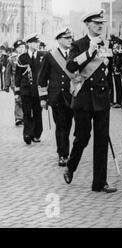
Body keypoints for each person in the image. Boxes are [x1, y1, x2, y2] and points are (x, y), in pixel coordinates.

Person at [63, 10, 117, 193]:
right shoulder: (78, 45)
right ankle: (71, 166)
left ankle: (99, 183)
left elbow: (110, 69)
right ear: (87, 24)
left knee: (101, 140)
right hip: (84, 99)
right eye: (96, 23)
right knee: (82, 137)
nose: (100, 26)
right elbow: (70, 66)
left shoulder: (107, 43)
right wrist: (89, 53)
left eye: (101, 23)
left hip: (101, 98)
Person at [37, 27, 75, 166]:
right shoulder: (50, 56)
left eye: (70, 37)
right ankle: (62, 154)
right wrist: (43, 98)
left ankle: (66, 151)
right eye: (66, 38)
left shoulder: (75, 54)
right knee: (61, 126)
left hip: (71, 95)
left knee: (69, 125)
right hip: (57, 97)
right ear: (59, 39)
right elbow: (42, 78)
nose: (70, 40)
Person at [14, 34, 45, 144]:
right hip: (26, 89)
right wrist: (17, 92)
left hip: (38, 90)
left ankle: (36, 134)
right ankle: (27, 134)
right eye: (35, 42)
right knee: (27, 112)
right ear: (28, 44)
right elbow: (17, 75)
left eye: (38, 42)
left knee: (37, 112)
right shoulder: (22, 58)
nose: (37, 44)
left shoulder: (43, 56)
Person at [5, 40, 26, 126]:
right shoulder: (12, 58)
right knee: (18, 99)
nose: (21, 49)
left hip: (26, 82)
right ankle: (19, 118)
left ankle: (26, 116)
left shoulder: (27, 57)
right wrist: (7, 84)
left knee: (25, 99)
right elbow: (8, 72)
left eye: (23, 47)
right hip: (15, 83)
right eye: (19, 48)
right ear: (16, 49)